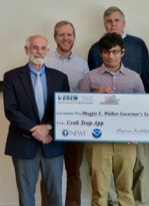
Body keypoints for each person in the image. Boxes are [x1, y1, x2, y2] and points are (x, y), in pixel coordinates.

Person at [88, 6, 149, 206]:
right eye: (107, 52)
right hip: (100, 136)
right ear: (101, 53)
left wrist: (138, 132)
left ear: (122, 52)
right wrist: (95, 96)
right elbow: (82, 106)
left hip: (127, 137)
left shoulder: (134, 77)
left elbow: (143, 104)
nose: (111, 56)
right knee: (99, 188)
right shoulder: (91, 76)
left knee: (127, 185)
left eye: (115, 52)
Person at [3, 35, 69, 206]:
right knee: (26, 197)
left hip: (52, 144)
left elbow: (65, 111)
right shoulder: (11, 77)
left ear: (48, 51)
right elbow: (11, 110)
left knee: (55, 195)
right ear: (27, 50)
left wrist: (47, 128)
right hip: (23, 144)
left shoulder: (60, 78)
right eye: (34, 47)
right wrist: (37, 130)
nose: (39, 52)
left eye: (42, 48)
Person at [40, 21, 89, 206]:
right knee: (48, 173)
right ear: (55, 38)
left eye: (69, 34)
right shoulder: (45, 61)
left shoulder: (82, 64)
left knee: (74, 172)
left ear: (74, 37)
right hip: (49, 125)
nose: (66, 38)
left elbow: (86, 96)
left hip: (75, 125)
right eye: (61, 34)